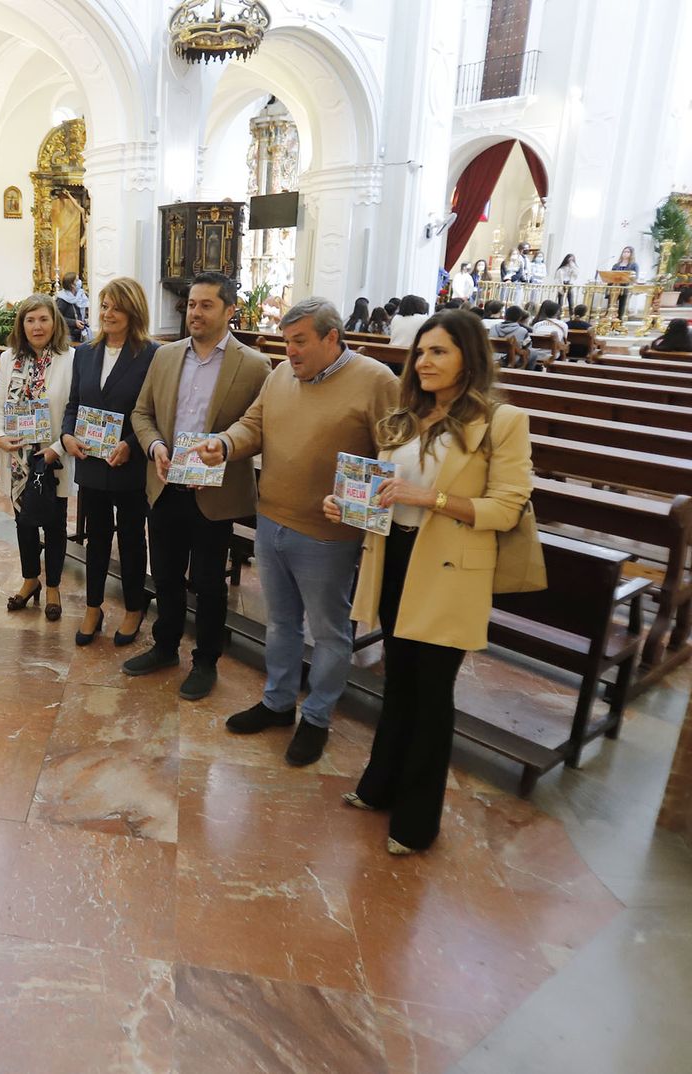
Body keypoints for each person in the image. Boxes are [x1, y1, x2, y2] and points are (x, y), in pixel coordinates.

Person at [326, 309, 532, 854]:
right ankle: (380, 785)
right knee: (399, 680)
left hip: (448, 570)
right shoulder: (403, 417)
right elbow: (386, 490)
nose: (423, 362)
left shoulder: (501, 421)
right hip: (395, 556)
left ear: (470, 356)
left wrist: (430, 499)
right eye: (420, 352)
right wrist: (349, 505)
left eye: (438, 351)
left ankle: (418, 821)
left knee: (432, 693)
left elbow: (507, 508)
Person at [188, 298, 399, 766]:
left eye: (300, 342)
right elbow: (254, 425)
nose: (291, 352)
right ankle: (278, 702)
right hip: (273, 521)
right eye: (287, 342)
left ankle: (318, 717)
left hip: (328, 535)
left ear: (331, 337)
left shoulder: (376, 381)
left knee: (328, 631)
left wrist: (356, 506)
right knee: (280, 623)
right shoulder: (282, 375)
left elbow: (394, 458)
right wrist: (224, 444)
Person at [125, 272, 270, 698]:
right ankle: (165, 646)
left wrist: (224, 450)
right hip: (166, 482)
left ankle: (206, 661)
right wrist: (153, 448)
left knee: (209, 583)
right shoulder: (166, 356)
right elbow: (141, 412)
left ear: (229, 310)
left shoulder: (254, 365)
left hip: (214, 493)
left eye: (206, 305)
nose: (195, 312)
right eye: (191, 304)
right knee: (166, 575)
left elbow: (259, 430)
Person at [61, 276, 157, 648]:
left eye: (116, 306)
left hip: (128, 465)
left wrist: (132, 445)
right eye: (103, 306)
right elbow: (74, 404)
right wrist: (68, 435)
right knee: (96, 538)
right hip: (91, 461)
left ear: (133, 310)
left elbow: (155, 412)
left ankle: (134, 607)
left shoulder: (152, 355)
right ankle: (93, 606)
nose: (108, 313)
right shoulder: (85, 352)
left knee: (132, 539)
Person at [0, 295, 75, 621]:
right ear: (21, 325)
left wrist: (59, 447)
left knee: (54, 523)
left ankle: (52, 585)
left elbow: (74, 408)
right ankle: (30, 580)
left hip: (55, 456)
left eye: (43, 319)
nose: (37, 326)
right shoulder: (9, 358)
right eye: (30, 320)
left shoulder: (70, 359)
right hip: (18, 458)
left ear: (55, 322)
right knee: (23, 522)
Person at [529, 299, 570, 367]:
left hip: (536, 353)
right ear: (558, 312)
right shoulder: (563, 325)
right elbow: (564, 340)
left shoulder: (537, 324)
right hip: (553, 354)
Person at [55, 272, 90, 342]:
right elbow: (57, 317)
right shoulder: (62, 298)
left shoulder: (81, 295)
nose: (80, 281)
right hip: (68, 334)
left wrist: (85, 319)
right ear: (72, 285)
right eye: (77, 280)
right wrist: (74, 322)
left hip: (80, 333)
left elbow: (83, 311)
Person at [611, 246, 639, 320]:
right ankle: (611, 320)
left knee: (622, 306)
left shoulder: (634, 265)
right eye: (624, 251)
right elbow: (611, 275)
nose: (625, 253)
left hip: (625, 287)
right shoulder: (616, 265)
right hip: (615, 287)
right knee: (611, 305)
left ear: (631, 254)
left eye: (628, 252)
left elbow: (635, 277)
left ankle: (620, 321)